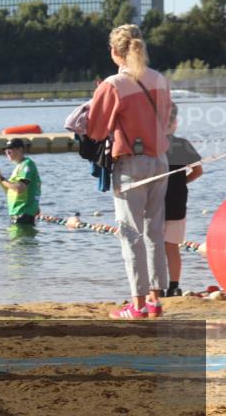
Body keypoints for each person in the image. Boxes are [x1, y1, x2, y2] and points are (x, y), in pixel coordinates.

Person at [86, 24, 172, 319]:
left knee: (130, 234)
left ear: (114, 52)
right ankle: (155, 301)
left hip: (131, 164)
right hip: (161, 160)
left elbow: (95, 130)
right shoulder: (159, 79)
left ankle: (136, 305)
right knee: (154, 233)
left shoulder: (112, 84)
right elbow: (167, 120)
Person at [164, 103, 203, 296]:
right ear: (175, 124)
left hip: (155, 202)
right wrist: (182, 183)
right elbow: (198, 171)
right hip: (177, 201)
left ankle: (157, 286)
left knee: (153, 245)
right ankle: (174, 286)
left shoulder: (151, 145)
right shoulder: (183, 144)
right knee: (172, 246)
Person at [0, 138, 41, 225]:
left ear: (20, 149)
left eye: (10, 149)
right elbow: (10, 190)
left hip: (23, 214)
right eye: (6, 150)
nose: (7, 152)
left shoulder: (27, 165)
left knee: (18, 238)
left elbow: (19, 188)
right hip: (17, 213)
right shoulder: (18, 167)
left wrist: (1, 177)